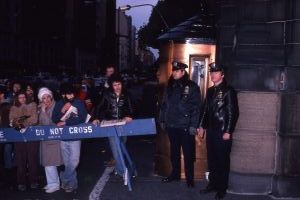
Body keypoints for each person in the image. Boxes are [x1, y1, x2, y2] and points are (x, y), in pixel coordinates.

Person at [198, 62, 239, 199]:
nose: (213, 75)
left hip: (222, 132)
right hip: (211, 131)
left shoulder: (229, 91)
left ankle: (222, 188)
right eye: (211, 73)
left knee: (222, 161)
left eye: (216, 73)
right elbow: (205, 110)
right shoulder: (210, 91)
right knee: (212, 160)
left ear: (222, 74)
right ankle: (213, 184)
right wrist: (201, 126)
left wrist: (228, 131)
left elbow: (233, 112)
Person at [159, 61, 201, 188]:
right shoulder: (170, 86)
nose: (174, 73)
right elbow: (164, 104)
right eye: (173, 71)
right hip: (172, 124)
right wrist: (162, 119)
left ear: (183, 72)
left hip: (185, 126)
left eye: (177, 71)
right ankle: (175, 174)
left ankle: (189, 178)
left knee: (188, 154)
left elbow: (196, 107)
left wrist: (194, 125)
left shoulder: (192, 86)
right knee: (174, 152)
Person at [93, 74, 133, 176]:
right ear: (111, 86)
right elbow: (99, 107)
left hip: (124, 125)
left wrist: (130, 116)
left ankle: (119, 168)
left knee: (122, 147)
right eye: (115, 85)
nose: (117, 87)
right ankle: (122, 172)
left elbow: (132, 108)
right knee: (115, 149)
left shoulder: (126, 94)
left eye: (119, 84)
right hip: (110, 125)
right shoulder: (106, 94)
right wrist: (96, 118)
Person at [52, 83, 87, 193]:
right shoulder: (59, 104)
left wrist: (66, 122)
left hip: (75, 136)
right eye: (68, 94)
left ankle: (64, 177)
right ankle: (71, 185)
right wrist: (62, 110)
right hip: (63, 137)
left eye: (72, 94)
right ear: (63, 95)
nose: (71, 96)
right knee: (67, 163)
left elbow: (83, 118)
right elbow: (54, 118)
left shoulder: (78, 102)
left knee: (74, 161)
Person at [9, 91, 39, 191]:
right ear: (17, 99)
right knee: (20, 160)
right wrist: (23, 121)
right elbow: (12, 121)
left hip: (31, 136)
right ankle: (21, 182)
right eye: (20, 97)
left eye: (24, 97)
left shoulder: (32, 104)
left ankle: (34, 181)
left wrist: (21, 122)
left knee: (32, 160)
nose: (22, 99)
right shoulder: (13, 108)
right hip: (18, 137)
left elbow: (34, 119)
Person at [38, 87, 63, 193]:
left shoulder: (55, 106)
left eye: (48, 97)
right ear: (41, 100)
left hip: (53, 139)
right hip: (45, 139)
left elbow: (49, 123)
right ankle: (51, 183)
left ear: (51, 97)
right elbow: (39, 123)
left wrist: (43, 112)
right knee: (48, 163)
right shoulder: (41, 108)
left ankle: (55, 184)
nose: (46, 99)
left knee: (50, 162)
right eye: (44, 98)